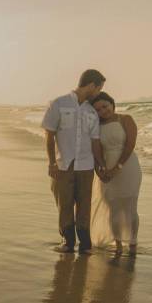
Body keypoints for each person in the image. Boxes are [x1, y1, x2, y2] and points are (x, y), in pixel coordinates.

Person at [41, 69, 107, 253]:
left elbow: (94, 141)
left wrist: (99, 163)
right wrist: (52, 162)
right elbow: (49, 135)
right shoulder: (58, 104)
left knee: (84, 205)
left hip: (86, 165)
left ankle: (85, 245)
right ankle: (68, 242)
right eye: (99, 87)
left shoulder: (91, 111)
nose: (99, 92)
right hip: (63, 165)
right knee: (65, 204)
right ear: (92, 85)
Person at [90, 92, 142, 256]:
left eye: (105, 106)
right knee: (112, 206)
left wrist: (118, 167)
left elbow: (130, 144)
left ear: (112, 104)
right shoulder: (96, 126)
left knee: (130, 205)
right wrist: (100, 168)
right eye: (97, 110)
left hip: (128, 166)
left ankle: (133, 242)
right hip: (107, 166)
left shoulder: (125, 119)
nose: (103, 111)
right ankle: (118, 243)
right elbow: (96, 149)